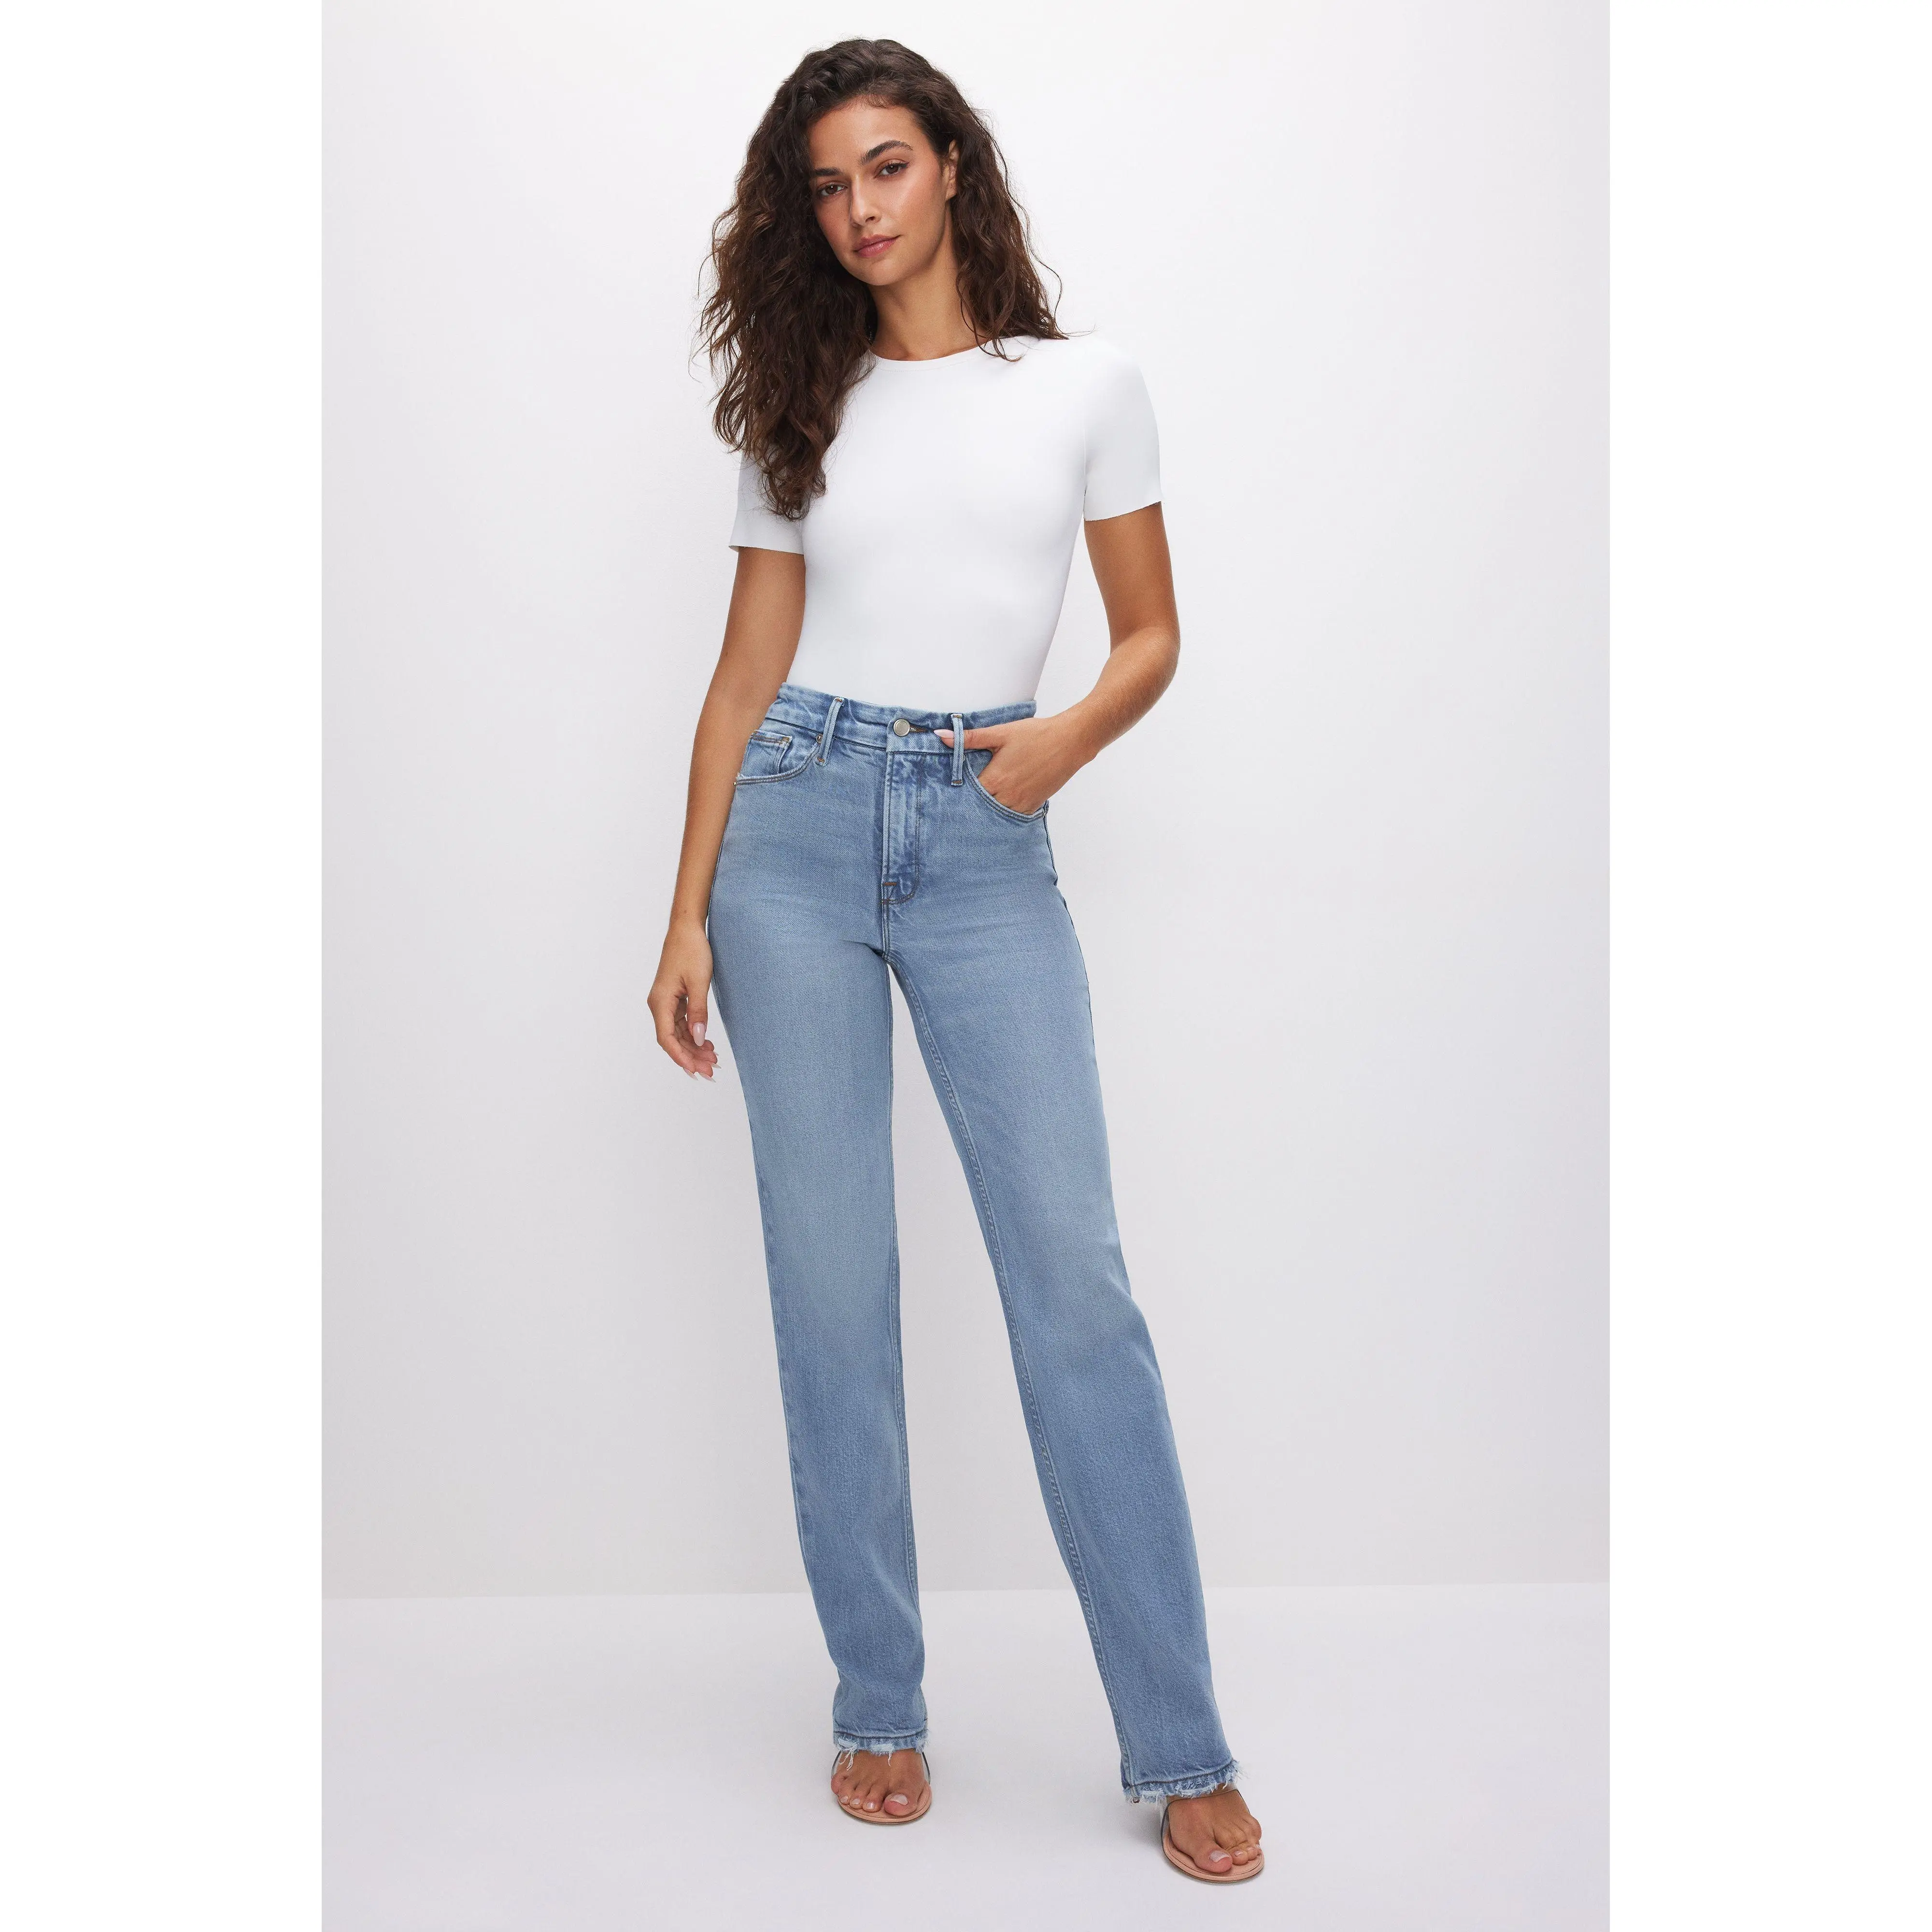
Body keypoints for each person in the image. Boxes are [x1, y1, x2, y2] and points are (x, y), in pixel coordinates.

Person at [648, 38, 1264, 1884]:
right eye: (828, 185)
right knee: (833, 1293)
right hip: (794, 840)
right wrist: (684, 909)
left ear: (954, 168)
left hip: (988, 833)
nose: (860, 209)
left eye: (888, 166)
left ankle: (1181, 1741)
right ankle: (879, 1704)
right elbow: (744, 677)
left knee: (1075, 1290)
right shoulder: (799, 402)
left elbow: (1149, 636)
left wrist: (1057, 747)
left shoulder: (1084, 386)